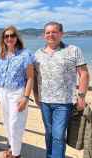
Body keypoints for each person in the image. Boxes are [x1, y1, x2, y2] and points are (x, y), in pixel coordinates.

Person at [33, 21, 90, 158]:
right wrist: (36, 96)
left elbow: (84, 73)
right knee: (49, 133)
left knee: (58, 135)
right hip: (44, 101)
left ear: (61, 34)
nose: (50, 35)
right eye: (48, 32)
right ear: (43, 35)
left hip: (64, 102)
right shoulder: (37, 54)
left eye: (54, 32)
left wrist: (81, 96)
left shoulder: (73, 50)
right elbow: (35, 77)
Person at [0, 26, 34, 158]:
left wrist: (26, 97)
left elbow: (30, 77)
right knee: (6, 122)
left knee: (15, 124)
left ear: (17, 37)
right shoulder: (1, 55)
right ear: (3, 39)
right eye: (6, 36)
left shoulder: (25, 54)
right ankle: (11, 149)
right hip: (2, 91)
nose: (9, 38)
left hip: (17, 92)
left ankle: (16, 154)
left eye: (12, 35)